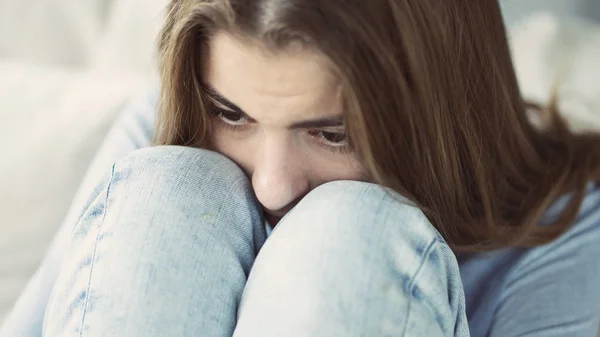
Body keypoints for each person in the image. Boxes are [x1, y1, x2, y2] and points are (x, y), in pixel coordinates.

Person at [2, 0, 600, 336]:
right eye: (233, 115)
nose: (271, 184)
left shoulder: (573, 231)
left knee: (349, 231)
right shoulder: (176, 127)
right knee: (172, 185)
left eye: (332, 133)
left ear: (431, 116)